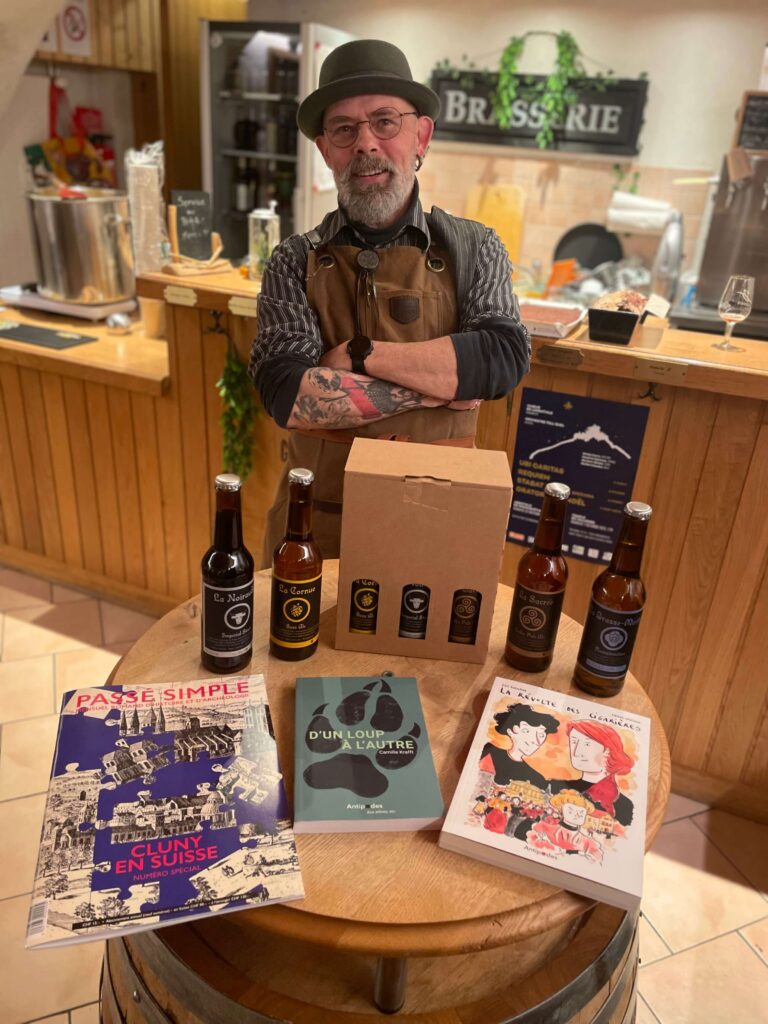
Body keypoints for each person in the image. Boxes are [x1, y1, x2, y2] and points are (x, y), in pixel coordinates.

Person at [250, 39, 530, 563]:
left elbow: (501, 358)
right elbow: (287, 393)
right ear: (326, 151)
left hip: (439, 523)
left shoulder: (476, 247)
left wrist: (359, 356)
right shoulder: (292, 261)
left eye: (384, 122)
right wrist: (435, 390)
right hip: (313, 529)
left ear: (420, 136)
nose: (365, 144)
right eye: (344, 129)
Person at [551, 721, 635, 827]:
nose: (576, 752)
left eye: (587, 744)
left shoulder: (624, 807)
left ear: (608, 751)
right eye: (574, 742)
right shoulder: (556, 788)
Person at [479, 702, 559, 789]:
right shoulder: (489, 752)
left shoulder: (536, 778)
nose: (534, 740)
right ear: (510, 731)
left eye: (541, 735)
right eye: (526, 731)